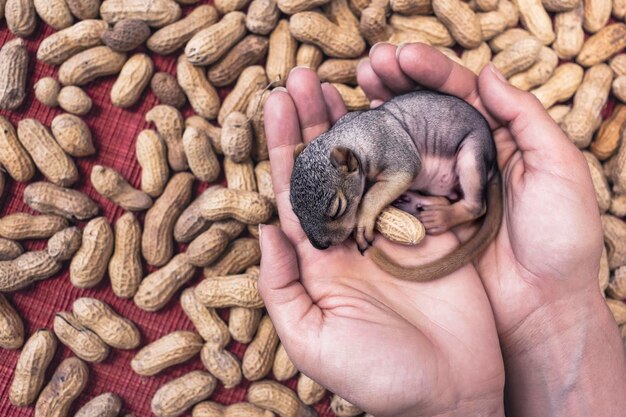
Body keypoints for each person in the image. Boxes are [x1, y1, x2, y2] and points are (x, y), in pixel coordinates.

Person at [258, 42, 626, 417]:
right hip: (429, 178)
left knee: (470, 155)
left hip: (460, 151)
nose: (331, 235)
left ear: (349, 164)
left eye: (337, 210)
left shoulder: (368, 139)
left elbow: (405, 168)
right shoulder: (353, 157)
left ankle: (467, 207)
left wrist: (368, 209)